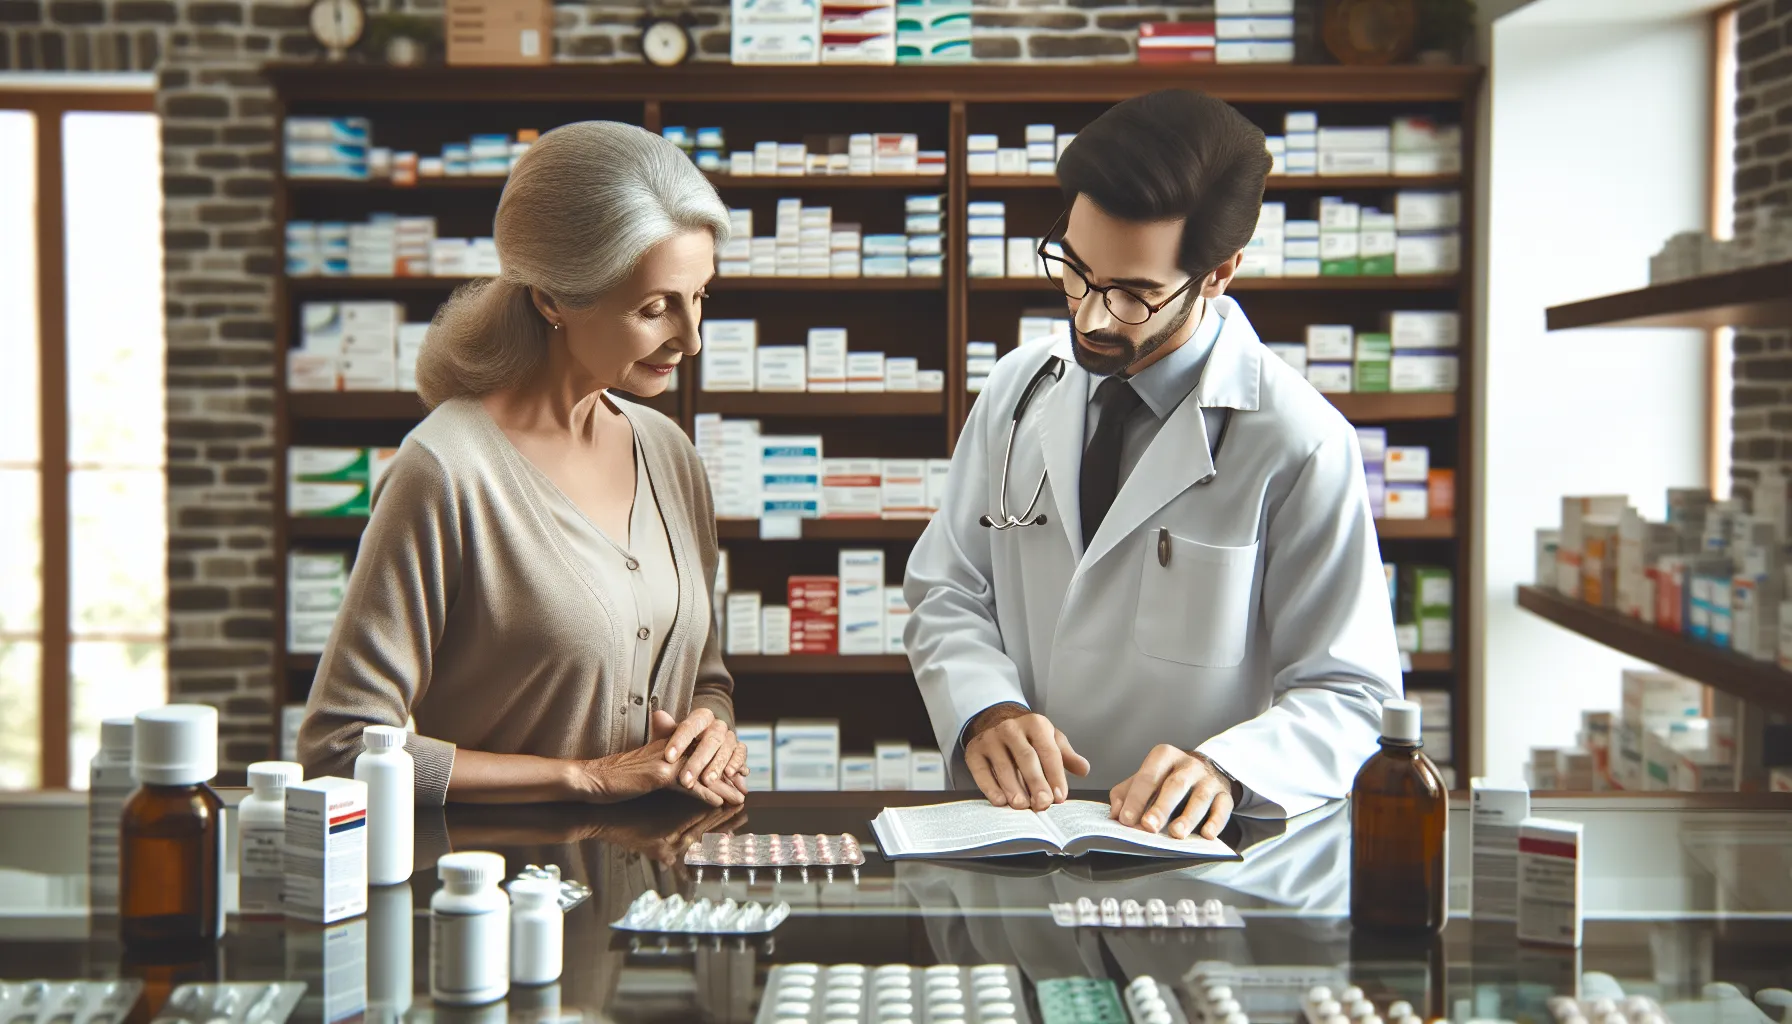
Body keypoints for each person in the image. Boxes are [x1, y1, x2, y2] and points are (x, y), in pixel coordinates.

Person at [904, 89, 1401, 842]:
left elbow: (1352, 693)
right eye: (1075, 269)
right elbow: (948, 588)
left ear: (1219, 273)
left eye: (1133, 294)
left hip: (1189, 856)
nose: (1089, 316)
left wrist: (1229, 768)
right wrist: (984, 707)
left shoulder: (1298, 441)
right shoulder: (1018, 386)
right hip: (1015, 834)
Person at [299, 121, 747, 808]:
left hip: (660, 898)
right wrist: (583, 777)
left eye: (700, 299)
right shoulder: (446, 470)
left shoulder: (670, 455)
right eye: (656, 308)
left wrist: (711, 728)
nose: (689, 339)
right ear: (552, 299)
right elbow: (341, 745)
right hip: (502, 898)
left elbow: (705, 678)